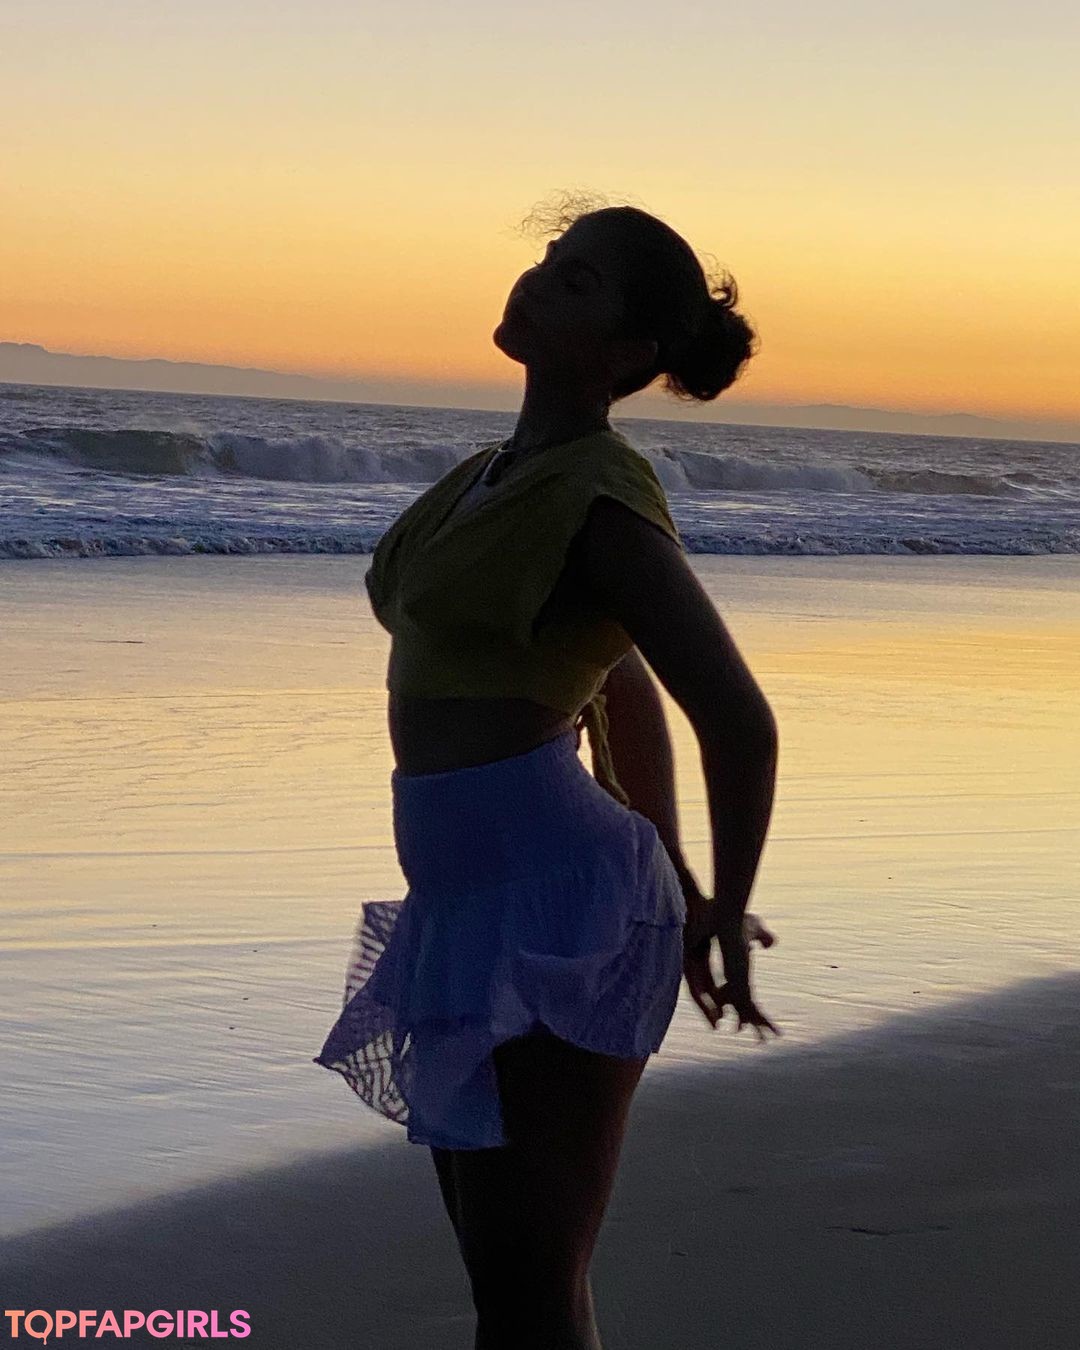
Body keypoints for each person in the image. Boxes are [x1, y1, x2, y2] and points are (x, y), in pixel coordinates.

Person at [314, 194, 780, 1349]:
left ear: (626, 353)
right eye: (549, 259)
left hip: (558, 910)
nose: (537, 281)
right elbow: (614, 679)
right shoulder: (496, 475)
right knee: (503, 1280)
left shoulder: (601, 499)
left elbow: (739, 721)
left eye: (577, 281)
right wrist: (674, 860)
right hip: (466, 902)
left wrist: (720, 909)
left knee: (530, 1285)